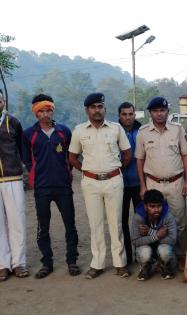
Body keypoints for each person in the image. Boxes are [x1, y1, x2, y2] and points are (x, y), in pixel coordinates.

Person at [68, 92, 131, 279]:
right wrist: (87, 172)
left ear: (105, 109)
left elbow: (127, 154)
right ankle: (97, 264)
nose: (97, 110)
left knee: (116, 223)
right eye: (93, 107)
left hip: (113, 181)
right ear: (87, 110)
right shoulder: (79, 131)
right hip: (91, 183)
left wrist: (116, 170)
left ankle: (120, 263)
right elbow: (72, 157)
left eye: (100, 106)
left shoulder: (115, 128)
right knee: (95, 224)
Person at [22, 94, 79, 278]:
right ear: (35, 113)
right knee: (43, 227)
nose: (46, 114)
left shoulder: (63, 131)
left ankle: (72, 261)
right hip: (42, 188)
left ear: (53, 110)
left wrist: (66, 173)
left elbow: (71, 156)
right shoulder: (29, 134)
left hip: (63, 186)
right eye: (41, 111)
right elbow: (26, 159)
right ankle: (47, 263)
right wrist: (35, 175)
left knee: (70, 225)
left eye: (48, 110)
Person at [135, 96, 187, 269]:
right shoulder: (143, 132)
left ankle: (180, 255)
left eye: (162, 110)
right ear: (150, 113)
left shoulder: (177, 129)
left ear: (168, 111)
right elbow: (139, 160)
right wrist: (143, 185)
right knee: (153, 221)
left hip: (176, 183)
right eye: (155, 111)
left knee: (180, 222)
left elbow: (185, 156)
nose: (159, 114)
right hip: (153, 184)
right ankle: (158, 257)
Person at [0, 89, 28, 281]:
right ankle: (2, 264)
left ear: (3, 101)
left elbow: (22, 149)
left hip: (12, 178)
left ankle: (18, 263)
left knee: (17, 221)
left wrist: (24, 173)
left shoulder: (13, 122)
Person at [132, 189, 177, 280]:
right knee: (144, 252)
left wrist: (149, 232)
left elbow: (173, 239)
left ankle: (165, 266)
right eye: (152, 206)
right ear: (145, 206)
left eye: (159, 206)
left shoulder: (168, 216)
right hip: (147, 249)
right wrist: (156, 235)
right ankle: (145, 267)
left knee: (165, 251)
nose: (156, 210)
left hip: (161, 248)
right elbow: (135, 241)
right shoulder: (138, 217)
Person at [118, 102, 141, 265]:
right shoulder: (113, 131)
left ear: (134, 115)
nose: (128, 117)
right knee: (122, 221)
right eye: (124, 114)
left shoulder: (142, 131)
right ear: (119, 116)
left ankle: (142, 255)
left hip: (139, 183)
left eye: (130, 114)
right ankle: (127, 256)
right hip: (119, 185)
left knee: (141, 219)